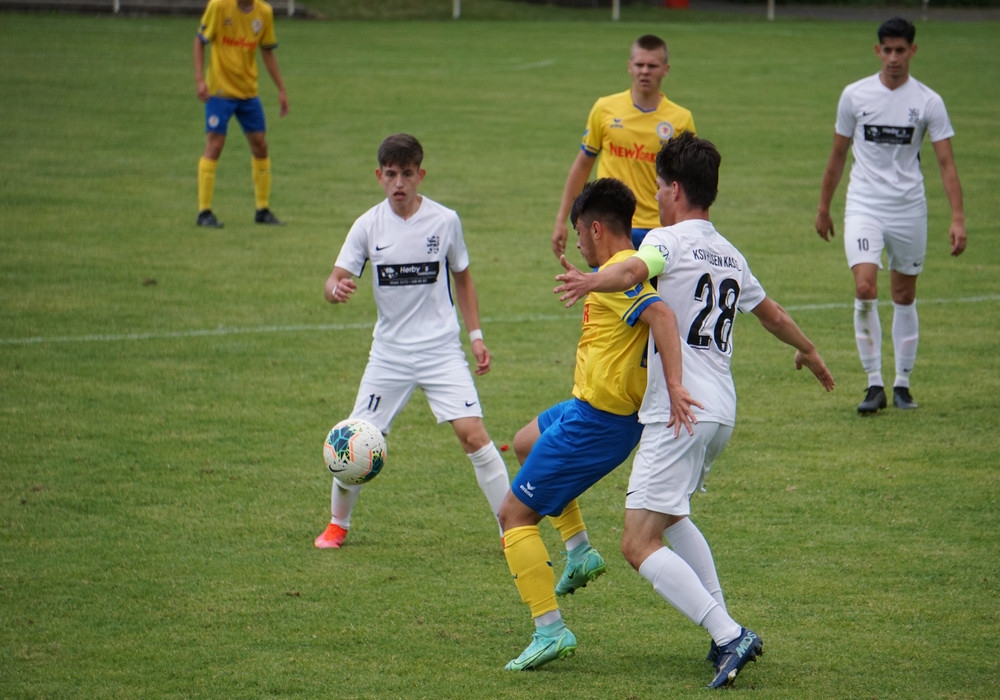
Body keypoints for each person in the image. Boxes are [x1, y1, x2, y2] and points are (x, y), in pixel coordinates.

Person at [554, 132, 835, 688]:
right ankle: (722, 631)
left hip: (679, 408)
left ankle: (729, 634)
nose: (656, 196)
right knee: (672, 516)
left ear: (676, 190)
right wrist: (807, 349)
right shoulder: (730, 252)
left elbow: (632, 271)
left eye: (660, 187)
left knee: (637, 541)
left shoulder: (669, 241)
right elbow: (772, 314)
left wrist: (590, 279)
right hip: (720, 411)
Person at [500, 177, 700, 671]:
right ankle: (580, 552)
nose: (576, 245)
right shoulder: (625, 259)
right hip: (583, 406)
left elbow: (662, 317)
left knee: (513, 516)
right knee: (525, 443)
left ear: (595, 229)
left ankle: (550, 630)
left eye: (578, 233)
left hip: (599, 424)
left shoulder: (615, 276)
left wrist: (674, 384)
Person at [314, 134, 510, 550]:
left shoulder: (445, 221)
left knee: (474, 435)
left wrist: (476, 336)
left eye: (406, 174)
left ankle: (512, 529)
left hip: (441, 351)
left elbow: (463, 278)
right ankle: (337, 524)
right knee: (354, 438)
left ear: (421, 174)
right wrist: (335, 290)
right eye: (391, 174)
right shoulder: (367, 225)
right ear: (379, 176)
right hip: (389, 355)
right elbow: (334, 280)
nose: (399, 183)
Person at [814, 16, 966, 414]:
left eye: (901, 50)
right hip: (864, 204)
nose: (893, 58)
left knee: (904, 295)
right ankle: (873, 384)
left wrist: (958, 217)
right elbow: (838, 153)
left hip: (909, 208)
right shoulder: (855, 96)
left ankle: (902, 384)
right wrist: (823, 207)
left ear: (912, 51)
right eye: (887, 50)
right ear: (877, 50)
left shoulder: (928, 102)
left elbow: (946, 163)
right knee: (865, 287)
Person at [552, 34, 696, 257]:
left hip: (657, 228)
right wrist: (562, 219)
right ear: (629, 67)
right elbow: (582, 165)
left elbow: (689, 183)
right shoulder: (604, 109)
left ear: (665, 69)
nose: (645, 71)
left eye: (652, 66)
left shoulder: (680, 119)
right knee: (607, 281)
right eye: (639, 65)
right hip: (611, 224)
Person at [193, 0, 289, 228]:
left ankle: (262, 209)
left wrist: (281, 89)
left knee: (261, 145)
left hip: (248, 93)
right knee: (215, 145)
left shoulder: (264, 12)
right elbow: (200, 41)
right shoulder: (218, 6)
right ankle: (204, 212)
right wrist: (200, 80)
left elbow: (267, 51)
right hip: (219, 92)